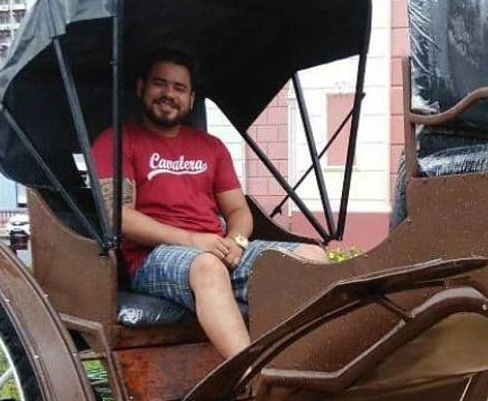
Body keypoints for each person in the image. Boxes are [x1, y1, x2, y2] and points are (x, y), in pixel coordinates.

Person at [92, 49, 328, 357]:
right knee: (207, 266)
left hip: (217, 249)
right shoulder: (117, 141)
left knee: (312, 256)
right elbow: (120, 217)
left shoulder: (211, 147)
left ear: (191, 99)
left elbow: (238, 211)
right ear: (141, 88)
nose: (169, 94)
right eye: (159, 83)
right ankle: (252, 376)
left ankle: (300, 362)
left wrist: (236, 242)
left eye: (179, 88)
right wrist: (194, 241)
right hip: (153, 258)